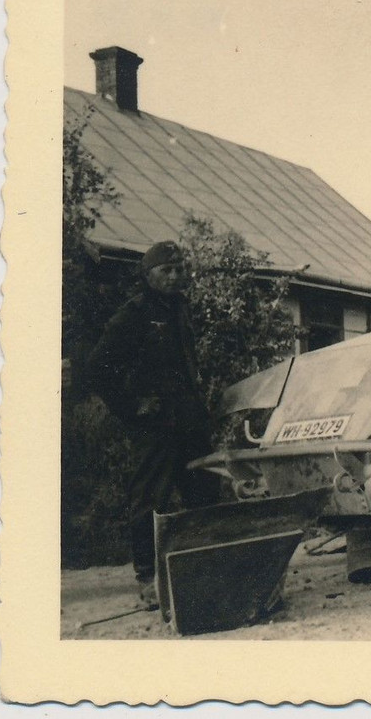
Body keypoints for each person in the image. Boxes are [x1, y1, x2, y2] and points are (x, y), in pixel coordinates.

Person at [86, 240, 220, 607]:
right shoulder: (134, 314)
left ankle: (202, 571)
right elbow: (98, 369)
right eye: (167, 270)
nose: (176, 275)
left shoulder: (179, 308)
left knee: (205, 495)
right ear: (148, 276)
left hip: (189, 423)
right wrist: (133, 407)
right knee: (150, 500)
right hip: (156, 427)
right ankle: (148, 579)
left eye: (180, 268)